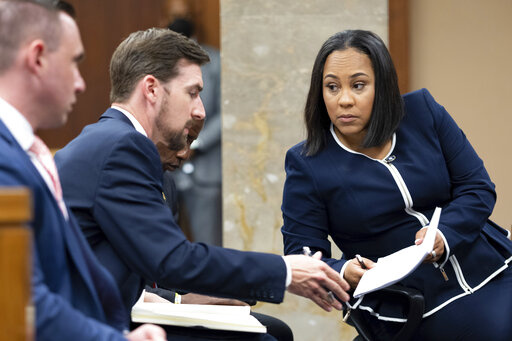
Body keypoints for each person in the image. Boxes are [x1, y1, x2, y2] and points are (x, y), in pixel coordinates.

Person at [54, 27, 350, 339]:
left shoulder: (115, 141)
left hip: (118, 308)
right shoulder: (122, 147)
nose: (201, 110)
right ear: (151, 89)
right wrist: (286, 271)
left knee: (273, 329)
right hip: (91, 325)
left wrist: (180, 298)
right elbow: (171, 259)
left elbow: (144, 260)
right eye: (193, 93)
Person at [281, 29, 512, 340]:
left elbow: (477, 188)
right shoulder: (307, 162)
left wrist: (443, 234)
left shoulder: (423, 112)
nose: (344, 100)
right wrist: (343, 270)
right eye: (332, 87)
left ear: (383, 86)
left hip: (490, 266)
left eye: (358, 85)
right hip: (406, 302)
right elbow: (303, 253)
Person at [0, 1, 164, 340]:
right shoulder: (5, 157)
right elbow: (24, 303)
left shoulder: (22, 150)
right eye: (75, 62)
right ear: (38, 58)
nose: (80, 84)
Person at [167, 16, 223, 246]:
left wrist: (195, 144)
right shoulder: (161, 63)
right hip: (167, 170)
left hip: (205, 172)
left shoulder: (215, 62)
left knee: (207, 244)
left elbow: (225, 115)